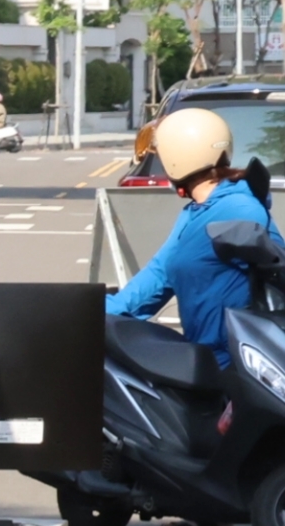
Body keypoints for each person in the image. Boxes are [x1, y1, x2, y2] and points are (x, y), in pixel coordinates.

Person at [107, 104, 277, 361]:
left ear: (178, 159)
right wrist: (87, 314)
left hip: (239, 368)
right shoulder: (196, 213)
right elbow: (159, 274)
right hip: (208, 361)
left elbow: (274, 265)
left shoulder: (235, 208)